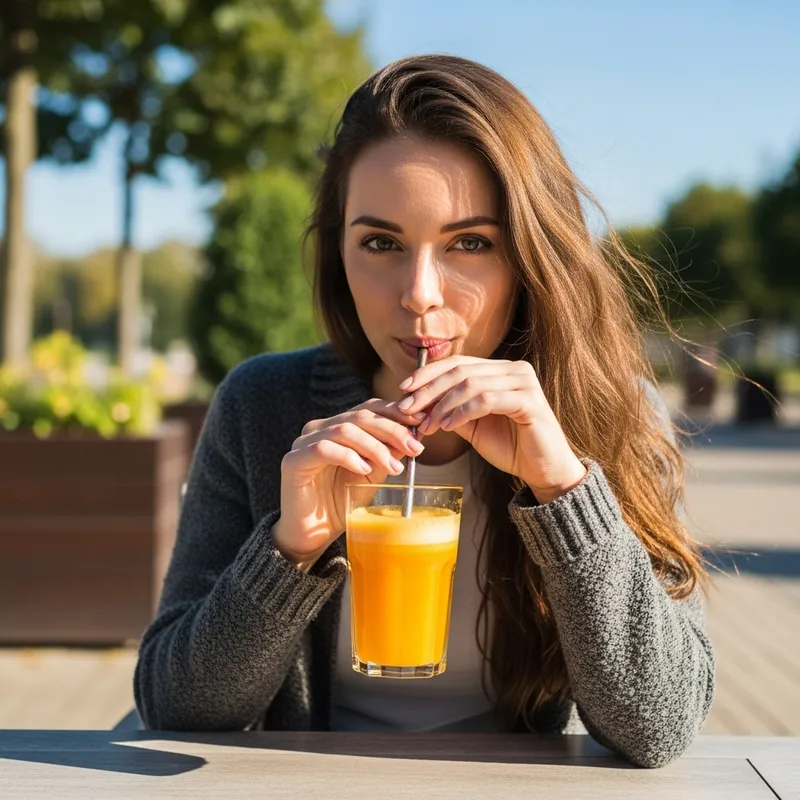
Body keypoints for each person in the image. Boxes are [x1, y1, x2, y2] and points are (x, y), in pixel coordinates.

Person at [134, 54, 715, 768]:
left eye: (470, 243)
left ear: (531, 255)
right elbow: (176, 704)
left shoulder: (612, 412)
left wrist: (564, 490)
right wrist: (291, 547)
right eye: (381, 243)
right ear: (337, 255)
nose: (419, 293)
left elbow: (662, 724)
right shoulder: (264, 407)